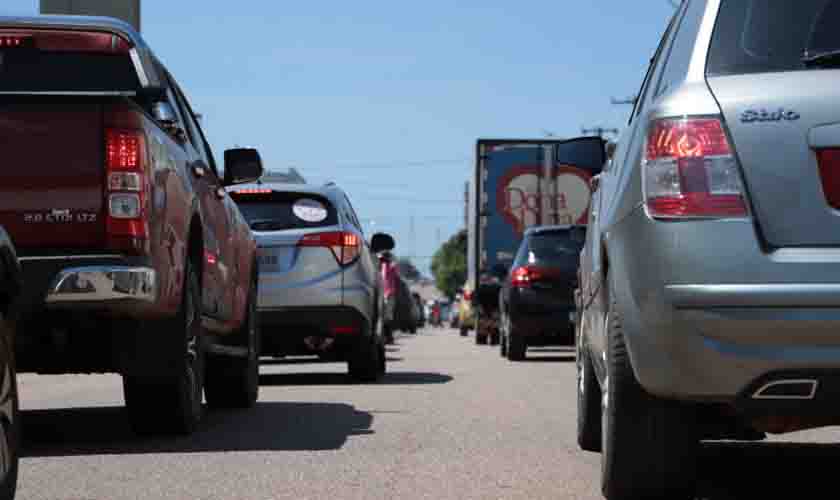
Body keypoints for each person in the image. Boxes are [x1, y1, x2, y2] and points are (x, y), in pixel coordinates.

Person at [379, 251, 399, 343]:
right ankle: (387, 337)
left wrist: (391, 260)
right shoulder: (381, 266)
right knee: (385, 316)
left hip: (389, 293)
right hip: (383, 294)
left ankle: (388, 337)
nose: (383, 260)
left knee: (387, 316)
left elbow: (395, 269)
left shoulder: (391, 266)